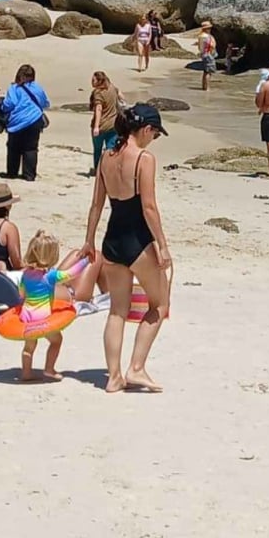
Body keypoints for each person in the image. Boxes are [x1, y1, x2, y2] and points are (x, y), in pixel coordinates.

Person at [84, 104, 172, 394]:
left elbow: (96, 204)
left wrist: (89, 241)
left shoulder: (106, 158)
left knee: (117, 312)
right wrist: (162, 245)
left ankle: (113, 377)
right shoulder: (144, 158)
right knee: (159, 304)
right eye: (155, 134)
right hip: (138, 241)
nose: (153, 139)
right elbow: (148, 206)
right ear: (146, 129)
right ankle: (136, 368)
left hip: (112, 241)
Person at [14, 230, 70, 382]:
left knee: (29, 347)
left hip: (27, 315)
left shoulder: (25, 273)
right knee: (56, 341)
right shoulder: (51, 275)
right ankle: (49, 369)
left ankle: (26, 373)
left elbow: (21, 294)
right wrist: (85, 261)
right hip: (43, 316)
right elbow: (72, 273)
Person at [0, 64, 50, 181]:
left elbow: (8, 104)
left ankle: (12, 173)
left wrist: (2, 108)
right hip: (34, 120)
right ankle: (29, 175)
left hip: (17, 121)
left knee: (13, 148)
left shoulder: (14, 88)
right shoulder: (37, 87)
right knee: (31, 148)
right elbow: (45, 103)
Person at [89, 71, 120, 177]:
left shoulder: (98, 93)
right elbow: (121, 96)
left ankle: (98, 170)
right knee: (110, 148)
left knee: (97, 149)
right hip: (113, 124)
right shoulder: (112, 87)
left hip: (102, 125)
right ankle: (109, 170)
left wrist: (96, 127)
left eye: (93, 80)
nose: (91, 82)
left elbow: (98, 109)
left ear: (99, 81)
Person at [196, 21, 216, 92]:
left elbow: (199, 47)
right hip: (208, 54)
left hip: (203, 54)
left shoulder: (200, 36)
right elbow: (212, 45)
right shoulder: (207, 36)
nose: (210, 30)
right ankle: (207, 88)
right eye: (209, 28)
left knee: (205, 71)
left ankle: (203, 86)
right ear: (206, 29)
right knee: (208, 72)